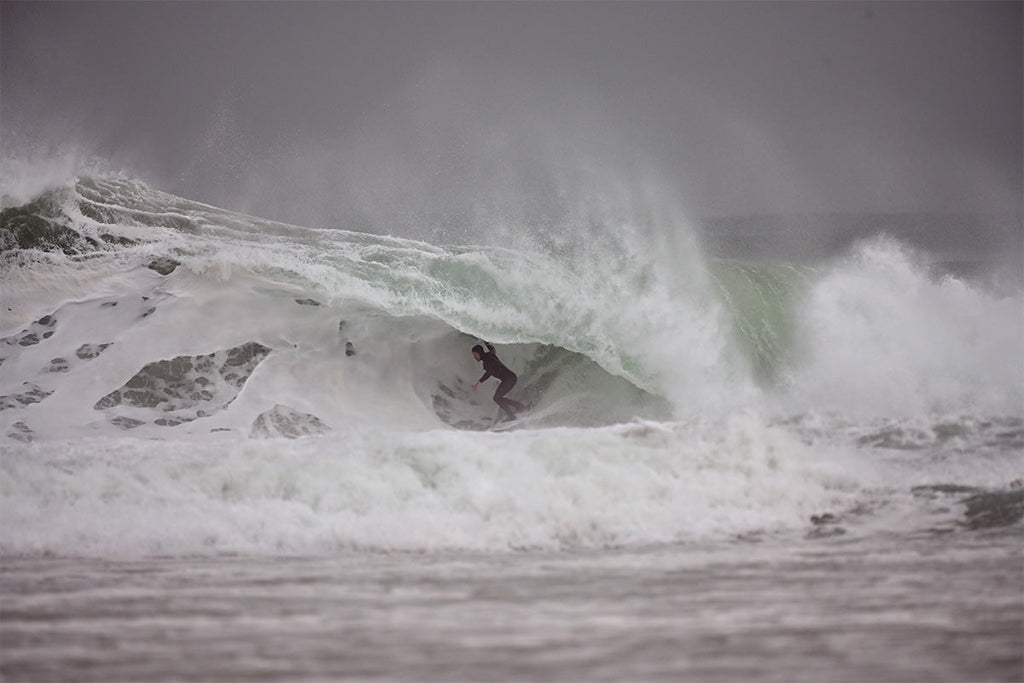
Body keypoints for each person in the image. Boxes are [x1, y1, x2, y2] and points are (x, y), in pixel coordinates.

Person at [471, 342, 527, 421]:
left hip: (509, 379)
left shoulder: (487, 361)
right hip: (510, 378)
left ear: (479, 353)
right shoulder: (490, 355)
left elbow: (489, 372)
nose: (474, 357)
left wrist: (479, 382)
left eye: (475, 354)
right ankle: (519, 408)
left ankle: (513, 414)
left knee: (497, 398)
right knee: (497, 398)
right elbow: (492, 349)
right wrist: (486, 342)